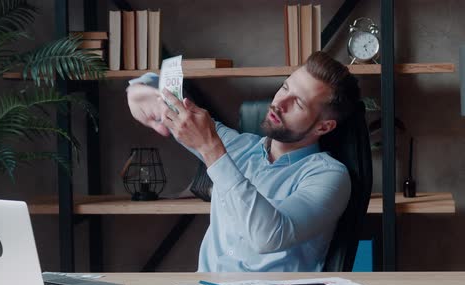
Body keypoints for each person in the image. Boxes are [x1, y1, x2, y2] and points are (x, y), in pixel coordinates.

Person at [126, 51, 361, 272]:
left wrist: (211, 150)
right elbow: (167, 103)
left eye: (297, 103)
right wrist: (139, 90)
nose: (279, 103)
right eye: (284, 87)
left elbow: (268, 237)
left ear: (324, 126)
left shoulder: (329, 176)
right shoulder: (238, 147)